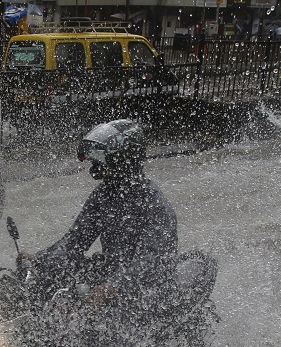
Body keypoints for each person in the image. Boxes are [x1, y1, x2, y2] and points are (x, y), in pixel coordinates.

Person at [21, 119, 178, 317]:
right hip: (111, 274)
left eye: (101, 160)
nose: (95, 167)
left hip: (146, 292)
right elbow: (75, 241)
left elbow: (150, 262)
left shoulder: (153, 204)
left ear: (124, 160)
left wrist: (113, 286)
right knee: (55, 274)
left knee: (104, 331)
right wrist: (40, 261)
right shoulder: (104, 195)